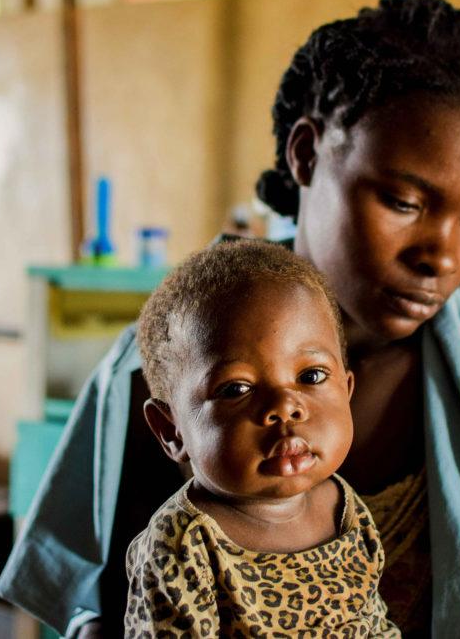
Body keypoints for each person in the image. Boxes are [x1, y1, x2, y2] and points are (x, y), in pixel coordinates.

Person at [0, 0, 460, 638]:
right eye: (405, 201)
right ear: (306, 153)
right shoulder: (170, 360)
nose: (440, 256)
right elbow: (112, 607)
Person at [125, 240, 398, 637]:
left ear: (347, 390)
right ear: (171, 431)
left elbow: (373, 623)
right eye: (236, 389)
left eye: (312, 376)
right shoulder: (185, 545)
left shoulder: (346, 508)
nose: (286, 406)